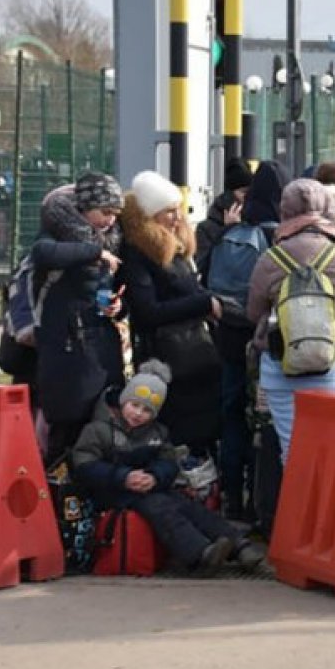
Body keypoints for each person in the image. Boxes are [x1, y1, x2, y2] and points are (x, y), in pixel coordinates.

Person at [70, 360, 264, 575]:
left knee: (188, 506)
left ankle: (238, 544)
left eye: (146, 410)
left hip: (149, 487)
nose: (138, 414)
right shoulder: (98, 430)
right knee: (162, 509)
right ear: (124, 401)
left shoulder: (157, 433)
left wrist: (155, 476)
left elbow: (168, 463)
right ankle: (199, 554)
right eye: (134, 405)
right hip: (113, 491)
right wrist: (122, 477)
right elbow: (84, 464)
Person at [246, 179, 335, 460]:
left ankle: (296, 502)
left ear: (284, 211)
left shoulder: (271, 258)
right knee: (327, 447)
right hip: (328, 363)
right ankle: (326, 503)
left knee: (292, 450)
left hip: (280, 366)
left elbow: (253, 312)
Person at [200, 160, 288, 521]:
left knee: (232, 416)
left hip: (230, 337)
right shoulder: (281, 236)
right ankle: (264, 505)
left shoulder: (230, 232)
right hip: (269, 344)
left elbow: (205, 279)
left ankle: (232, 500)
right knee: (268, 422)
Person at [120, 170, 222, 457]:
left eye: (178, 210)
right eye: (168, 211)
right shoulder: (140, 254)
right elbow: (148, 311)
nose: (177, 217)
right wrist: (203, 304)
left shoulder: (174, 250)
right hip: (171, 358)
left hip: (192, 355)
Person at [31, 174, 126, 463]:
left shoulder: (113, 237)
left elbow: (109, 288)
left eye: (115, 214)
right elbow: (43, 253)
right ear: (85, 207)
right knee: (67, 422)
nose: (110, 220)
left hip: (98, 339)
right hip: (66, 344)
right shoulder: (57, 229)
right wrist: (95, 252)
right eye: (105, 212)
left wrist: (116, 307)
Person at [195, 157, 255, 276]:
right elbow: (203, 266)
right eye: (244, 193)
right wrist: (229, 231)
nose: (248, 198)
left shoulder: (253, 221)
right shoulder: (206, 228)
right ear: (229, 196)